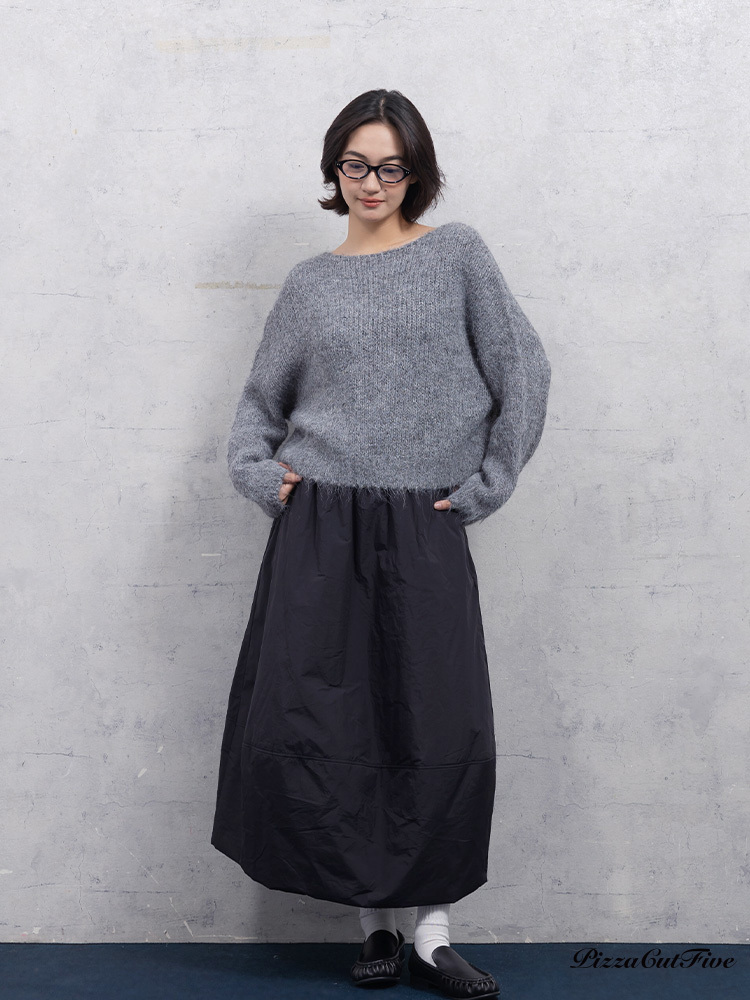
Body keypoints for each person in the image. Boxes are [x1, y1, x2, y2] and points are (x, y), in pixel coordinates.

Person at [210, 88, 552, 999]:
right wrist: (260, 476)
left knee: (437, 723)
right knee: (332, 729)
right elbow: (259, 405)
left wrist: (487, 484)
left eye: (391, 166)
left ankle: (434, 934)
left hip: (421, 522)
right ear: (335, 169)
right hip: (320, 528)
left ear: (416, 172)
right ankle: (376, 928)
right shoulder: (309, 284)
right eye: (356, 164)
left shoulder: (458, 255)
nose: (372, 182)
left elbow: (523, 368)